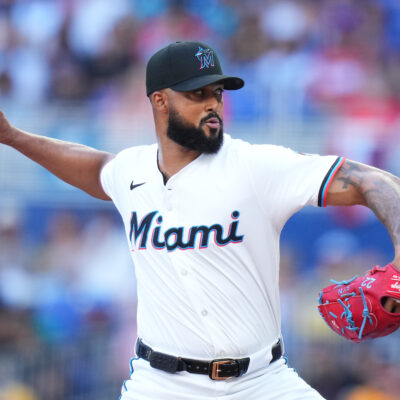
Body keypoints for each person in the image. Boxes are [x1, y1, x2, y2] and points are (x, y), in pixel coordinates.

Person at [0, 41, 400, 400]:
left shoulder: (256, 167)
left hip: (263, 382)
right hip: (160, 384)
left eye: (217, 93)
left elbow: (373, 181)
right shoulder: (131, 172)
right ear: (160, 101)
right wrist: (13, 137)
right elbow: (94, 168)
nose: (213, 104)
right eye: (197, 93)